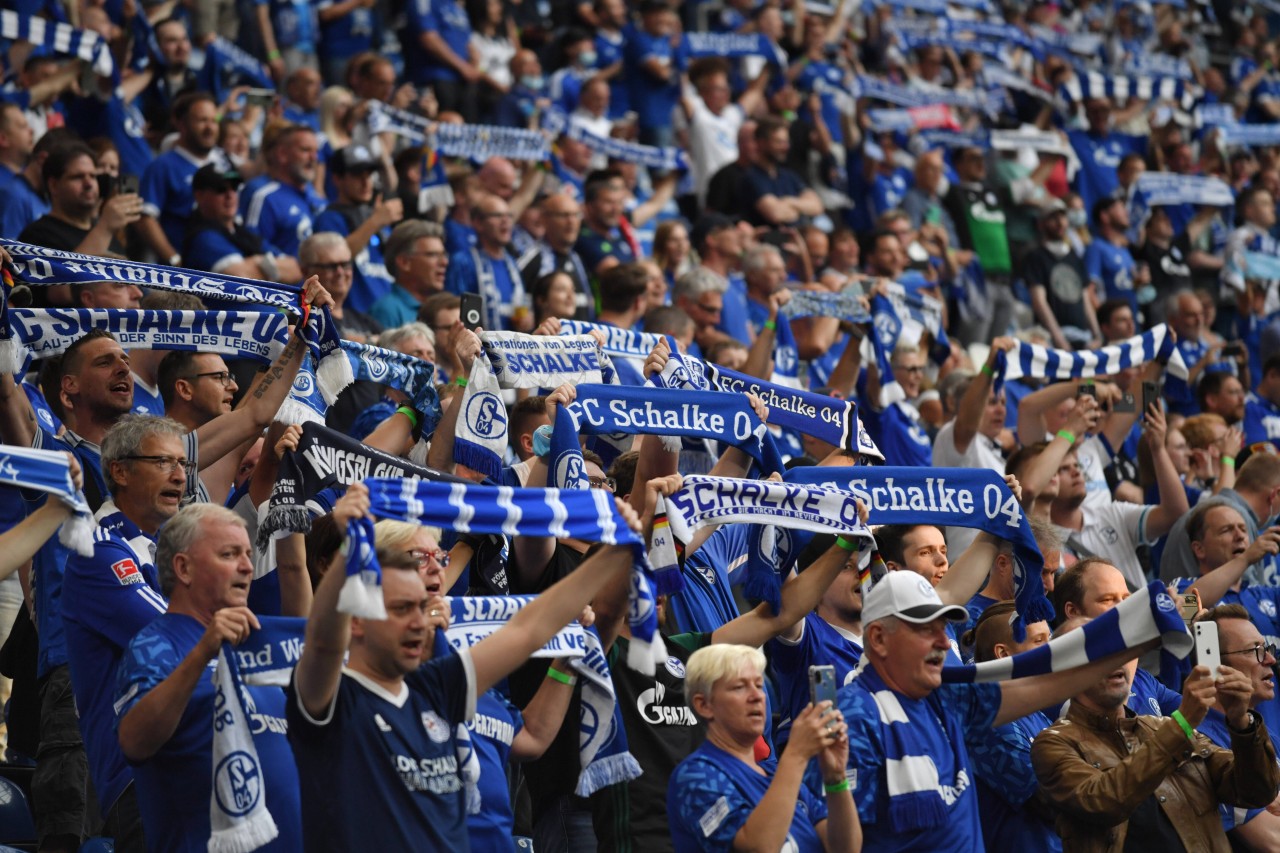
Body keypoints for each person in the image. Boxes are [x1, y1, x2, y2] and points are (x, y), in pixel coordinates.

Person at [286, 482, 644, 850]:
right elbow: (323, 641)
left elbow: (527, 629)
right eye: (400, 609)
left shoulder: (437, 687)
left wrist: (612, 556)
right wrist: (349, 548)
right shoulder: (328, 698)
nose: (417, 621)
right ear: (356, 618)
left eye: (419, 607)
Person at [839, 570, 1159, 851]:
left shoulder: (947, 700)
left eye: (943, 627)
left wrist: (1146, 635)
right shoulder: (854, 716)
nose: (943, 641)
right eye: (926, 630)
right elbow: (837, 845)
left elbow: (1052, 683)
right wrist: (834, 780)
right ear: (879, 639)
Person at [115, 504, 301, 852]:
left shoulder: (260, 643)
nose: (247, 566)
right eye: (230, 554)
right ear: (183, 568)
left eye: (248, 553)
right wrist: (203, 652)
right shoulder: (156, 645)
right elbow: (134, 742)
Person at [1031, 619, 1280, 852]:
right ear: (1064, 671)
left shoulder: (1162, 727)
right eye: (1098, 652)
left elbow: (1256, 792)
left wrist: (1241, 722)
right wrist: (1182, 724)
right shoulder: (1053, 743)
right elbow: (1104, 801)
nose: (1116, 659)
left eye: (1120, 649)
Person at [666, 644, 861, 853]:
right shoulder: (696, 776)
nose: (757, 696)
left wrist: (836, 777)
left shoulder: (778, 776)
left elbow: (846, 849)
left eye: (759, 685)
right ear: (704, 705)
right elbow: (760, 848)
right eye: (739, 687)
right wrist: (795, 753)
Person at [1193, 605, 1280, 849]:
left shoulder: (1258, 731)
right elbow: (1273, 842)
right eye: (1256, 651)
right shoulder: (1201, 741)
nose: (1271, 659)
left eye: (1267, 649)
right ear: (1215, 665)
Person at [312, 144, 402, 313]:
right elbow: (335, 258)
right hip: (352, 316)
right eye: (357, 175)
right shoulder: (329, 218)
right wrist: (375, 222)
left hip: (383, 314)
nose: (366, 182)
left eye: (369, 175)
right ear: (337, 179)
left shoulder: (375, 216)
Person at [183, 164, 302, 282]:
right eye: (221, 189)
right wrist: (265, 263)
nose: (230, 195)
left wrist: (257, 262)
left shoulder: (242, 233)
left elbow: (294, 269)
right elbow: (240, 277)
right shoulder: (202, 237)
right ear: (199, 196)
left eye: (234, 187)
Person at [240, 125, 325, 258]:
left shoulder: (311, 191)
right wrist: (293, 267)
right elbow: (252, 245)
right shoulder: (262, 195)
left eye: (316, 151)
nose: (314, 157)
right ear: (282, 154)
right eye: (305, 150)